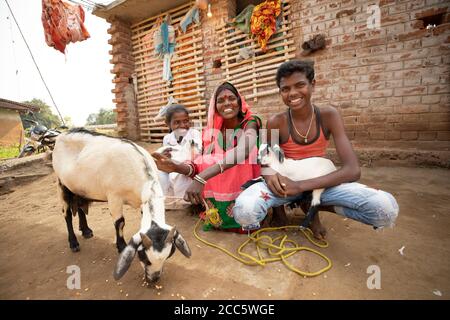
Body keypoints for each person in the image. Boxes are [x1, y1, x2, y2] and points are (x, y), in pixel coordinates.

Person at [233, 60, 399, 239]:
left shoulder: (329, 116)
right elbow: (267, 159)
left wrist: (300, 187)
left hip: (318, 184)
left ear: (313, 84)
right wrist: (270, 175)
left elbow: (352, 170)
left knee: (385, 210)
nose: (293, 93)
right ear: (280, 92)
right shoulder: (276, 121)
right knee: (244, 212)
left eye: (300, 85)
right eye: (285, 89)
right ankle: (281, 212)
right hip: (286, 186)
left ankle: (312, 209)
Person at [152, 82, 262, 233]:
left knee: (235, 158)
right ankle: (214, 214)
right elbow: (199, 164)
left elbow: (244, 150)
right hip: (215, 211)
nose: (227, 103)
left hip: (247, 194)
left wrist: (201, 178)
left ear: (239, 101)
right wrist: (175, 167)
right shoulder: (212, 132)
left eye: (231, 98)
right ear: (215, 106)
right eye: (221, 100)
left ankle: (243, 216)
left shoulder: (250, 122)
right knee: (207, 159)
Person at [157, 104, 202, 199]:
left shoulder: (195, 134)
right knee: (160, 174)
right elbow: (165, 156)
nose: (182, 125)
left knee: (180, 177)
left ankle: (186, 202)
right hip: (172, 168)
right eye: (177, 122)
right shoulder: (167, 138)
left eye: (186, 121)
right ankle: (168, 199)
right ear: (168, 124)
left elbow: (196, 154)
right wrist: (165, 156)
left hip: (190, 169)